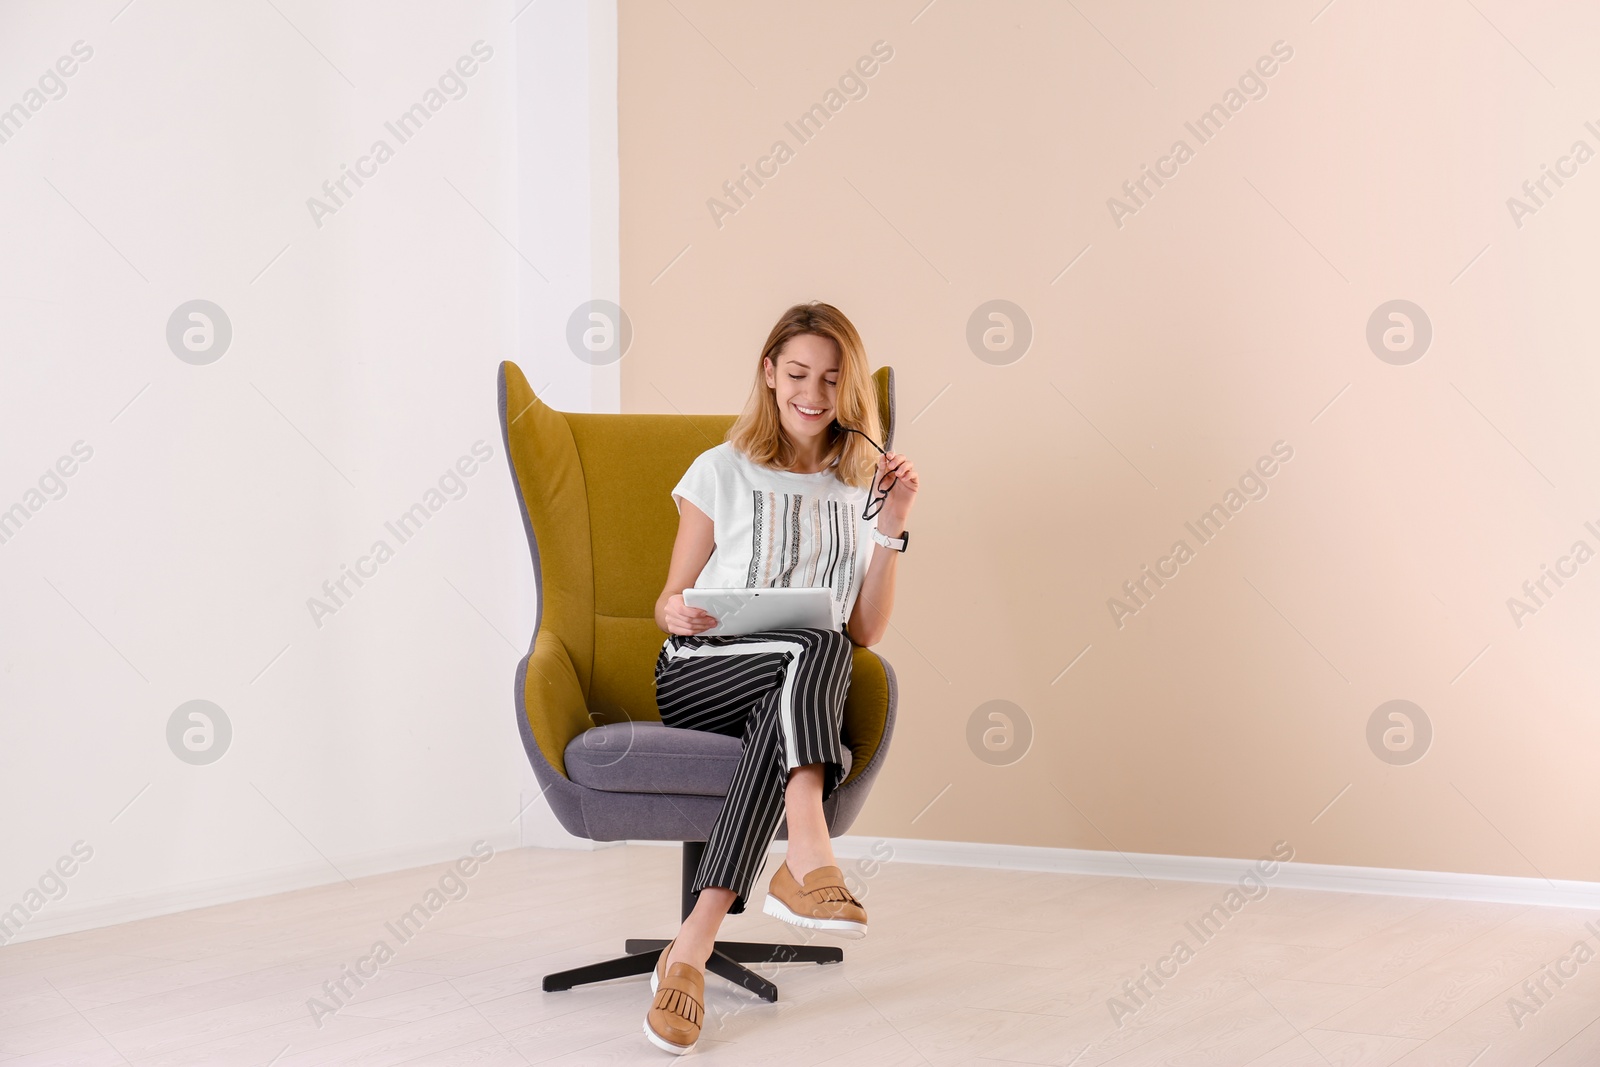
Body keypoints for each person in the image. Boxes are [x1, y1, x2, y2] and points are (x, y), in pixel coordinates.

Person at [643, 301, 919, 1054]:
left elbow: (865, 630)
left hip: (792, 688)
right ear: (769, 374)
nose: (814, 393)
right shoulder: (718, 469)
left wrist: (890, 522)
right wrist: (675, 610)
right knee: (813, 645)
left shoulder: (861, 483)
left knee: (822, 642)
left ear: (848, 388)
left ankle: (690, 949)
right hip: (702, 674)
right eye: (798, 373)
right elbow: (672, 594)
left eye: (833, 380)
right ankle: (809, 853)